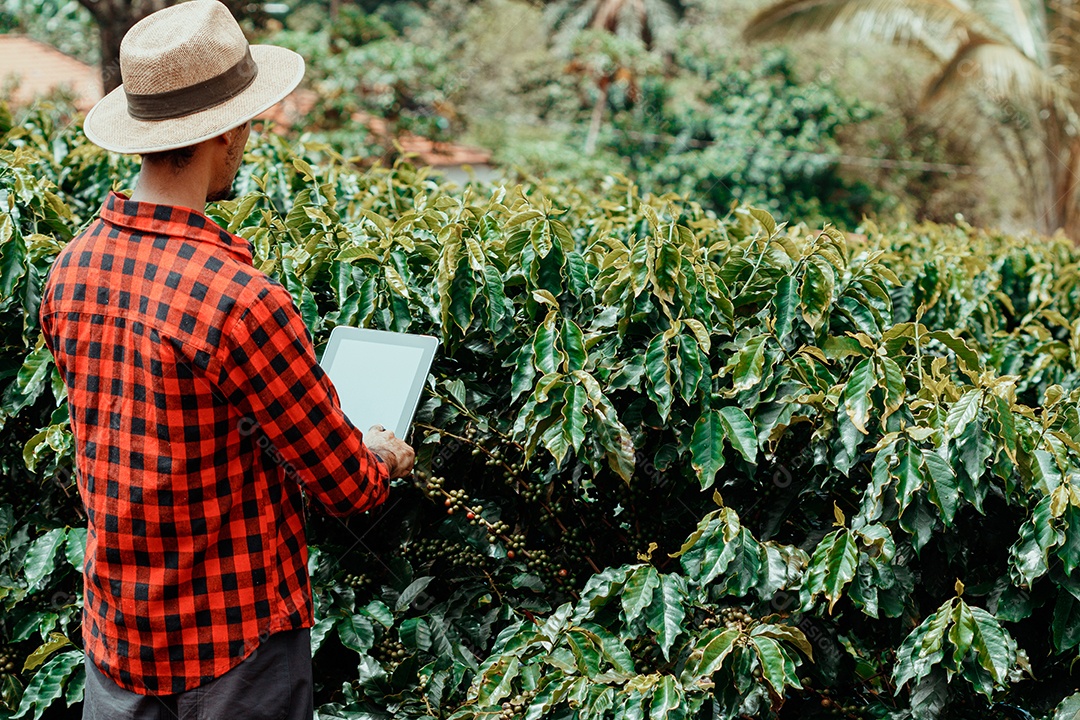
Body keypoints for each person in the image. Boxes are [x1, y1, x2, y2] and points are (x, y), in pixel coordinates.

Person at [38, 2, 415, 718]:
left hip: (118, 639)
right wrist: (380, 455)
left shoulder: (71, 268)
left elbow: (154, 427)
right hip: (235, 649)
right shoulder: (239, 300)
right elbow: (348, 487)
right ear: (227, 130)